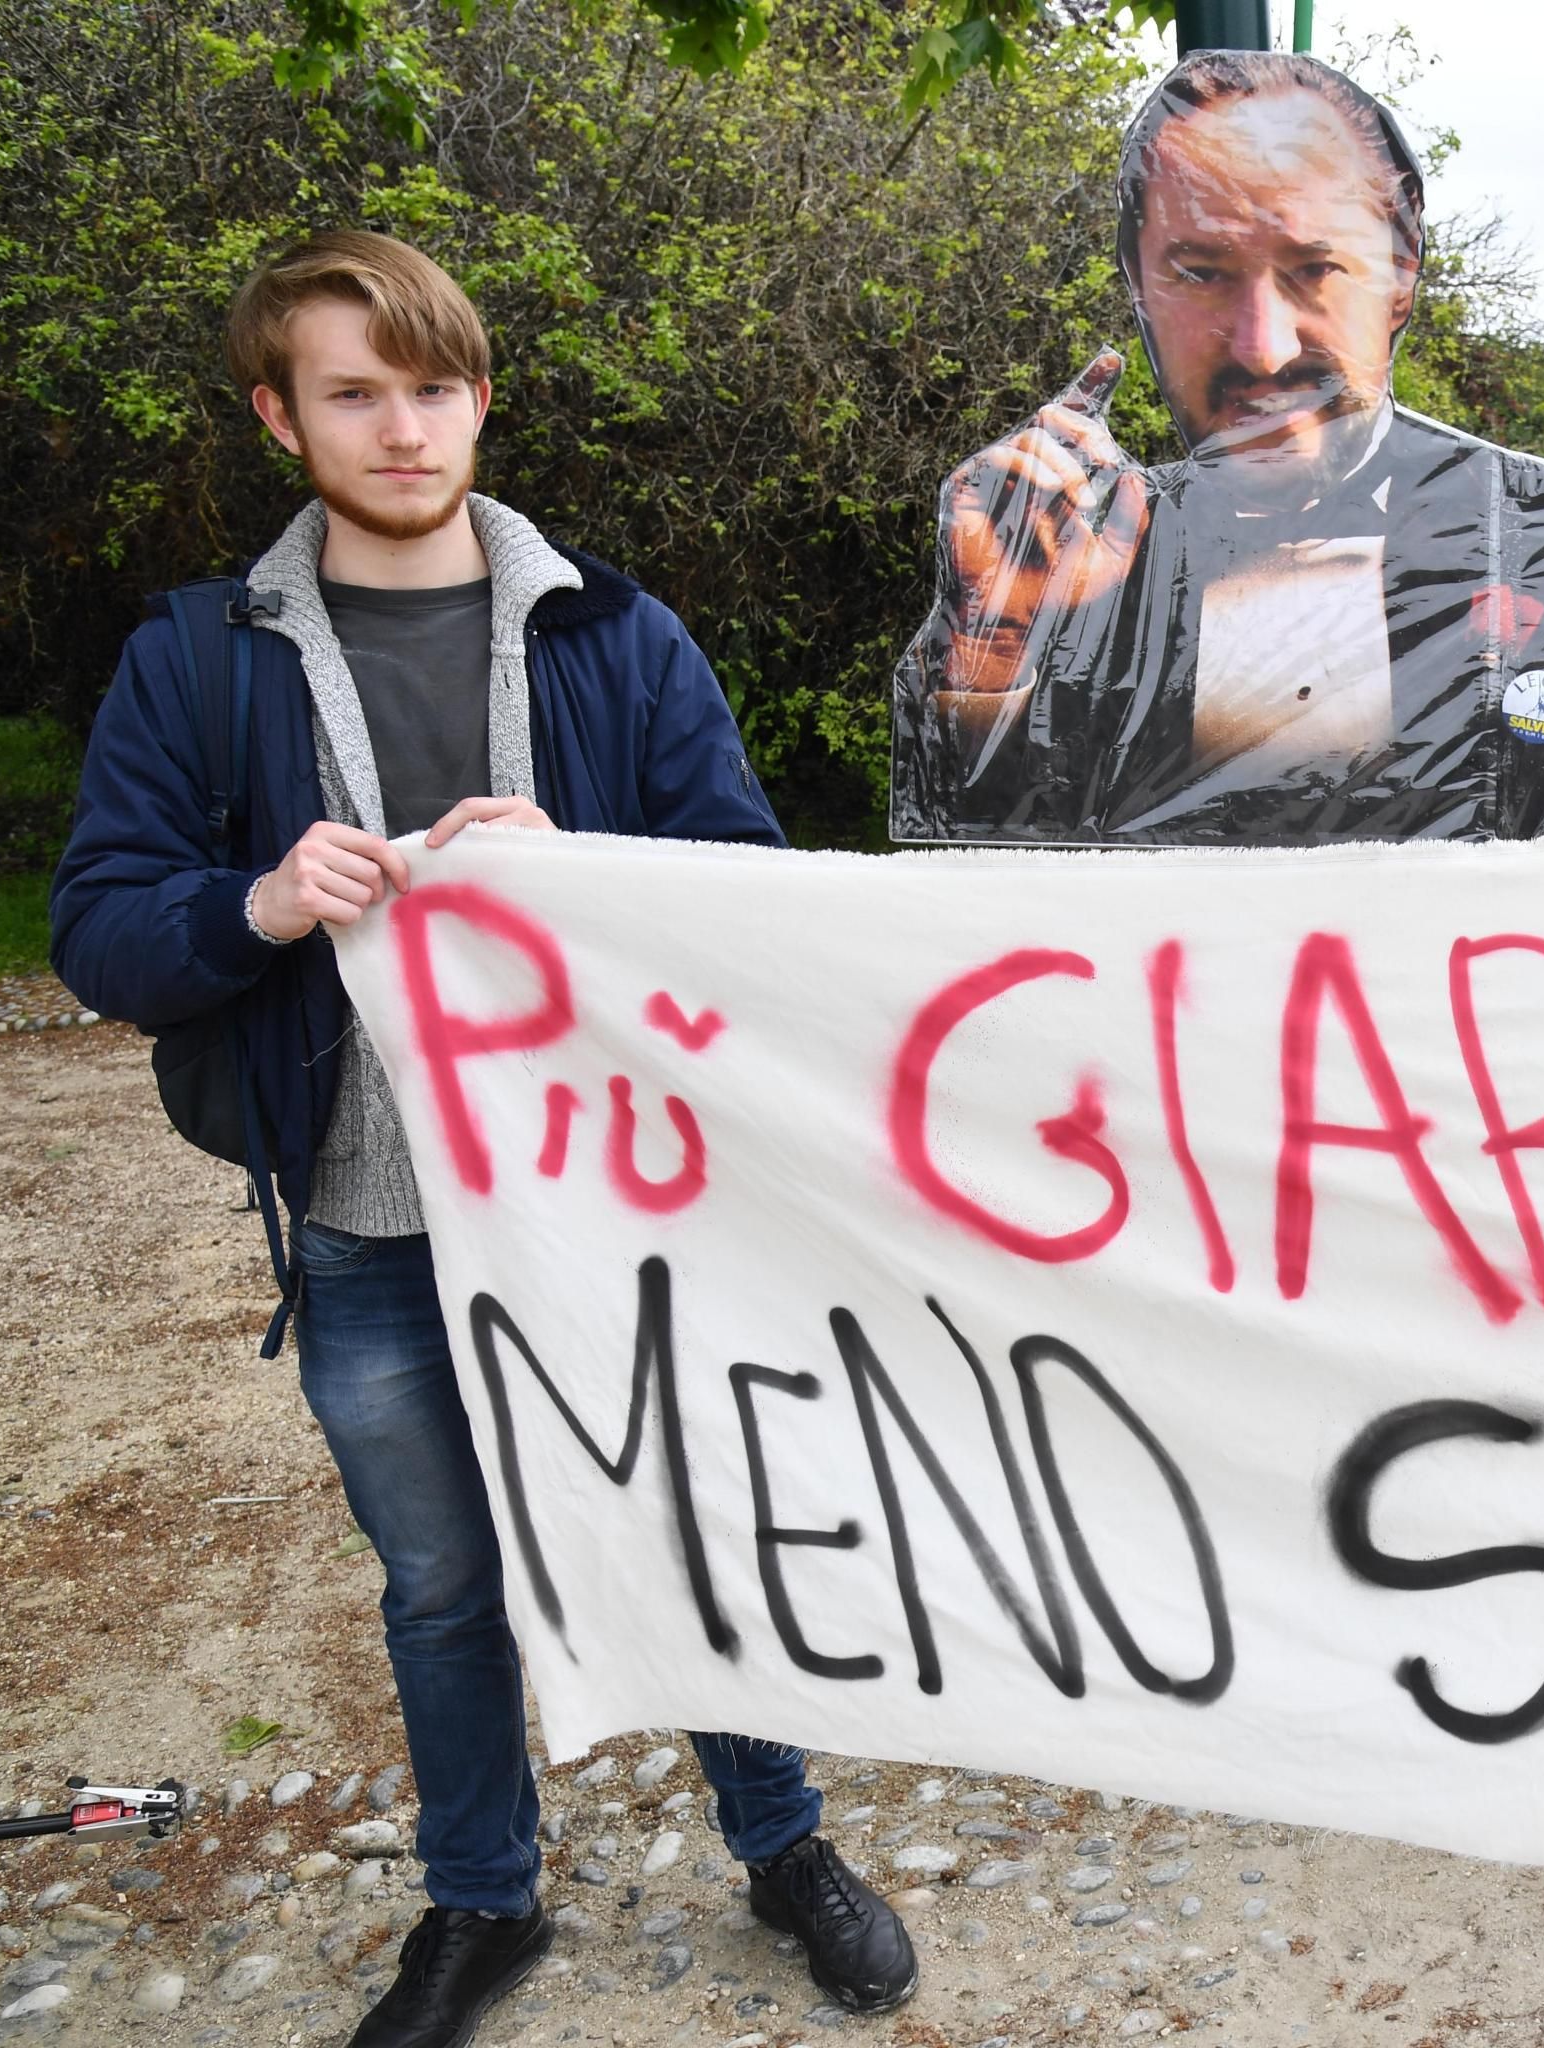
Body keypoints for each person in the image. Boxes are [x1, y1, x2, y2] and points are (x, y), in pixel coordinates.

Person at [48, 232, 919, 2048]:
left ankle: (782, 1844)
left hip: (618, 1205)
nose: (401, 427)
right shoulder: (198, 659)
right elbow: (102, 931)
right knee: (444, 1589)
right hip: (369, 1221)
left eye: (432, 386)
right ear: (280, 416)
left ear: (481, 399)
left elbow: (747, 895)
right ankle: (482, 1902)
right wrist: (258, 901)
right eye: (353, 392)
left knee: (682, 1528)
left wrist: (589, 878)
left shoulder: (616, 633)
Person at [891, 50, 1544, 846]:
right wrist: (995, 642)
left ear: (1401, 274)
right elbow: (988, 880)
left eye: (1314, 268)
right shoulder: (1069, 571)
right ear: (1137, 281)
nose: (1263, 349)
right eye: (1201, 272)